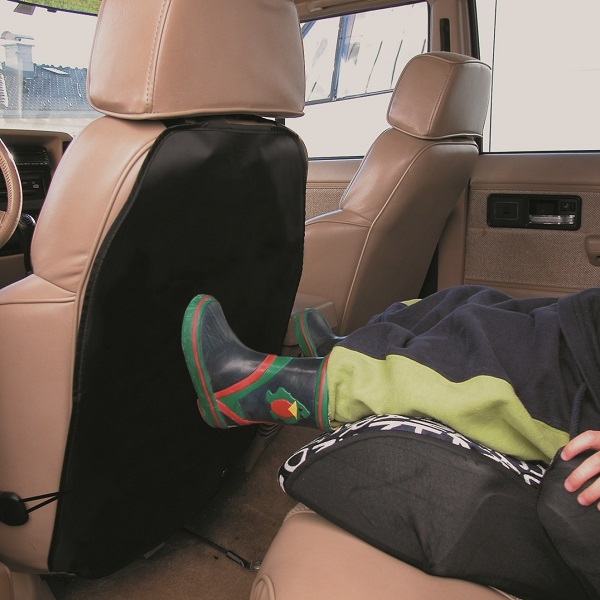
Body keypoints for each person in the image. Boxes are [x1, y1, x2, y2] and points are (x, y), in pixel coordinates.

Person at [181, 285, 600, 510]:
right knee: (470, 303)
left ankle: (244, 392)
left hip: (586, 395)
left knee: (475, 367)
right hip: (587, 323)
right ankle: (343, 351)